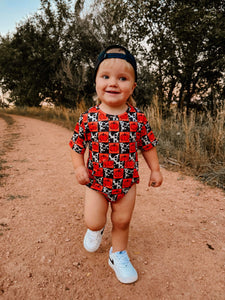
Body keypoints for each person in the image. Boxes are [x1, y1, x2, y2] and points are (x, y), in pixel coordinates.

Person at [69, 45, 163, 284]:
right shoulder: (88, 117)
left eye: (122, 78)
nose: (113, 83)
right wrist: (80, 167)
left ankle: (118, 254)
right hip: (96, 180)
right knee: (94, 220)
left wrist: (155, 169)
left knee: (122, 221)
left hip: (126, 181)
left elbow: (148, 145)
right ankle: (96, 229)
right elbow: (76, 146)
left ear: (132, 87)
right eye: (106, 76)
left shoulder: (137, 118)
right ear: (96, 82)